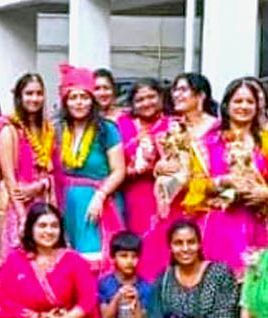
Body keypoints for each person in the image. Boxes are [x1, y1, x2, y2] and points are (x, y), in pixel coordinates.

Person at [200, 78, 268, 276]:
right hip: (219, 223)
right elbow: (195, 183)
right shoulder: (210, 142)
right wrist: (223, 182)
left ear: (258, 107)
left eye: (250, 102)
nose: (244, 106)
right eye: (238, 101)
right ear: (226, 105)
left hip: (257, 221)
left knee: (256, 281)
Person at [139, 72, 216, 280]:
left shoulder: (217, 129)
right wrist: (159, 167)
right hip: (175, 203)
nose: (176, 95)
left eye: (183, 90)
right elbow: (157, 162)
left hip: (206, 205)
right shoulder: (171, 128)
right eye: (175, 90)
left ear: (200, 96)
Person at [55, 63, 127, 270]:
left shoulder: (106, 129)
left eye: (84, 97)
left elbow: (119, 170)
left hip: (96, 203)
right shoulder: (58, 130)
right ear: (65, 101)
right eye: (73, 97)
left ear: (92, 100)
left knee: (93, 260)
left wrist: (100, 196)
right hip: (66, 202)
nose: (79, 103)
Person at [0, 73, 55, 274]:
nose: (34, 98)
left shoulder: (46, 129)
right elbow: (9, 178)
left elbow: (50, 170)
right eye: (29, 93)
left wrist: (41, 186)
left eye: (39, 93)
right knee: (16, 259)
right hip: (14, 202)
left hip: (40, 198)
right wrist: (22, 216)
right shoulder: (8, 129)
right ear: (19, 96)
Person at [115, 78, 171, 249]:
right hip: (132, 194)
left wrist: (157, 168)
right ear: (132, 104)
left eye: (151, 97)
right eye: (140, 99)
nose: (146, 103)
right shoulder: (121, 124)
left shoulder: (173, 125)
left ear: (161, 97)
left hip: (166, 195)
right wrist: (132, 170)